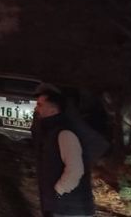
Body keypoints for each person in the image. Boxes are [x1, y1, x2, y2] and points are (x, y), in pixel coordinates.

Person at [34, 87, 95, 217]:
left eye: (40, 105)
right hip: (62, 206)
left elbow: (75, 170)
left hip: (71, 210)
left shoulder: (65, 134)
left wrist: (58, 191)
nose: (36, 108)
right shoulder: (52, 131)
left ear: (53, 110)